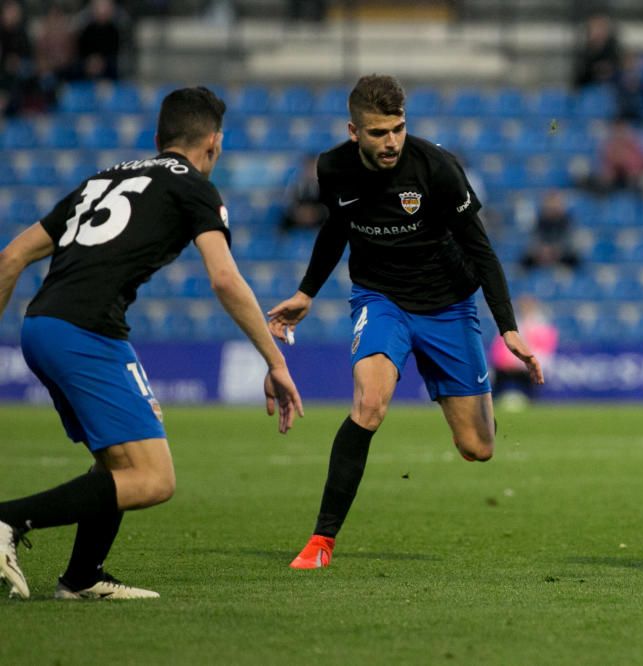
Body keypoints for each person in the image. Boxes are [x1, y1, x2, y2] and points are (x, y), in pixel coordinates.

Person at [0, 86, 303, 600]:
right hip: (87, 330)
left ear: (158, 138)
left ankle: (81, 578)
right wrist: (275, 361)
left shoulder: (103, 178)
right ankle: (6, 520)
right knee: (153, 479)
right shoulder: (196, 187)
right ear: (214, 142)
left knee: (116, 461)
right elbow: (225, 280)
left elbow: (11, 256)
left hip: (42, 326)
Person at [266, 74, 543, 570]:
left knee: (478, 448)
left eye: (397, 128)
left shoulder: (436, 167)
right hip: (381, 299)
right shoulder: (331, 168)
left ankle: (466, 398)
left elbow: (481, 248)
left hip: (448, 305)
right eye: (378, 132)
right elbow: (337, 229)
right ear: (354, 131)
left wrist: (508, 326)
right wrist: (307, 292)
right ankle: (321, 541)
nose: (390, 141)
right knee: (369, 404)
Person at [489, 295, 558, 410]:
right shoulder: (511, 324)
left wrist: (523, 361)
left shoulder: (542, 326)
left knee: (532, 378)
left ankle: (533, 401)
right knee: (498, 376)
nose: (525, 308)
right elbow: (500, 347)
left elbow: (544, 352)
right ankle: (491, 403)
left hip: (528, 365)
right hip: (510, 365)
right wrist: (507, 362)